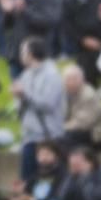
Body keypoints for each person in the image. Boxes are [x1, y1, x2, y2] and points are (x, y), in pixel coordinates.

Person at [12, 36, 65, 181]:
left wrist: (25, 95)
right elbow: (21, 106)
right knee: (27, 182)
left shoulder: (52, 75)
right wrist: (18, 97)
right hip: (29, 137)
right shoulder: (25, 75)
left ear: (31, 53)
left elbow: (48, 104)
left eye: (23, 51)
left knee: (49, 183)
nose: (20, 55)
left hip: (47, 137)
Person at [1, 0, 62, 78]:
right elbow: (7, 26)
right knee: (18, 94)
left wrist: (24, 10)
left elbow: (50, 20)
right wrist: (7, 13)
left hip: (39, 53)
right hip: (17, 52)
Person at [61, 63, 101, 150]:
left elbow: (83, 124)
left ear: (80, 79)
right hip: (79, 131)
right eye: (65, 80)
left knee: (67, 137)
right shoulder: (68, 94)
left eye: (70, 80)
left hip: (96, 135)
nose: (67, 83)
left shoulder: (88, 95)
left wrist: (61, 127)